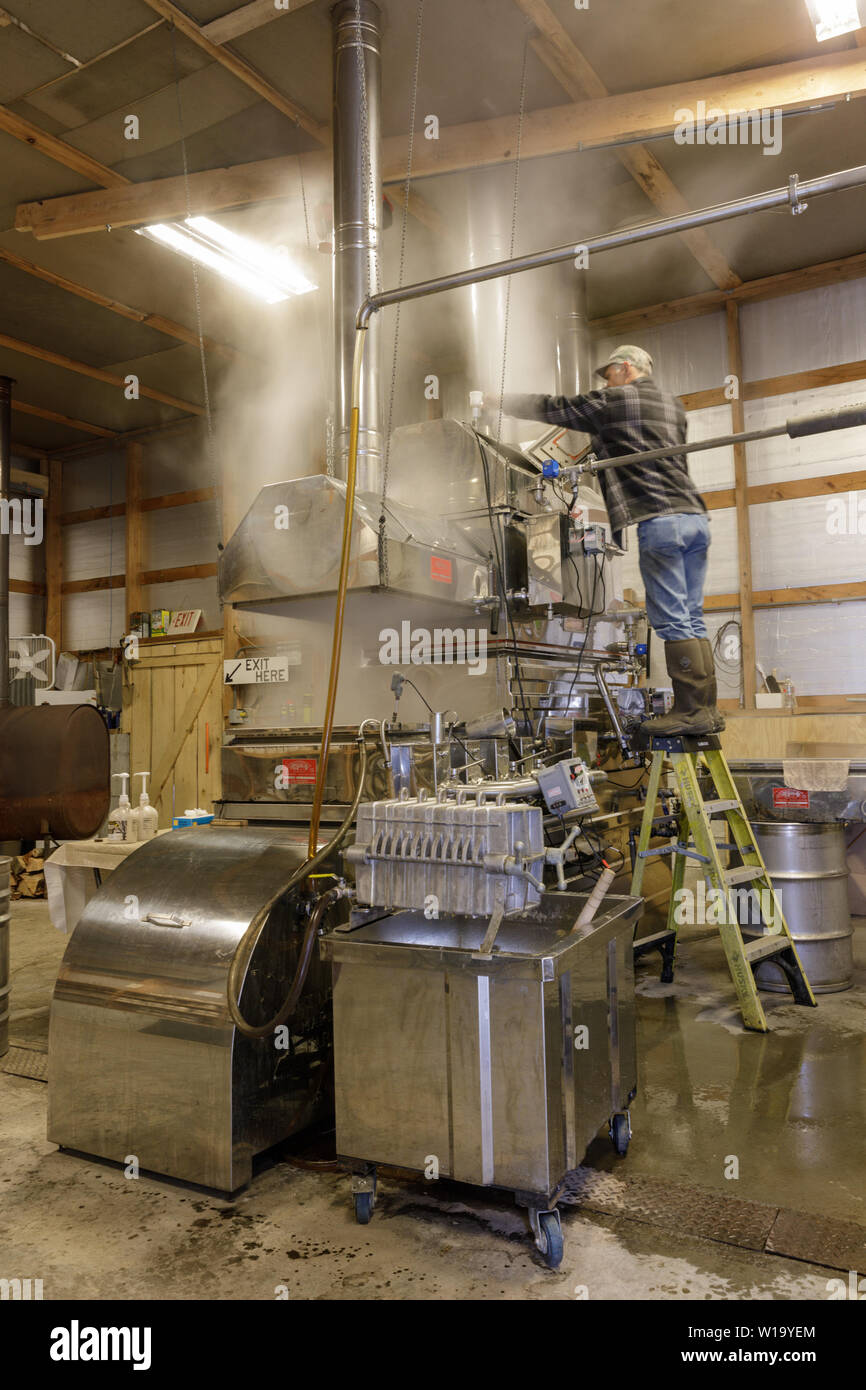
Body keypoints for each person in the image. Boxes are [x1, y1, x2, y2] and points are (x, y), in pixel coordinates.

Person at [501, 344, 723, 735]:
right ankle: (705, 710)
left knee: (671, 619)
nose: (605, 381)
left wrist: (500, 400)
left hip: (661, 521)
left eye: (608, 374)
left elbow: (558, 408)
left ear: (624, 369)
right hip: (694, 519)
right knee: (690, 617)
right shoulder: (673, 405)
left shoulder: (617, 399)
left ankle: (691, 712)